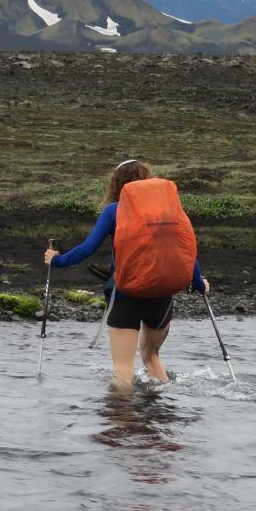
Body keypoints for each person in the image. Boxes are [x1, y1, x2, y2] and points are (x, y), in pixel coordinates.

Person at [43, 160, 209, 391]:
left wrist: (57, 260)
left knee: (122, 368)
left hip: (125, 295)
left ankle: (121, 412)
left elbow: (88, 248)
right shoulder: (167, 212)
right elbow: (185, 251)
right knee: (151, 356)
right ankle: (161, 410)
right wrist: (199, 284)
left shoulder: (114, 210)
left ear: (117, 184)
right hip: (161, 296)